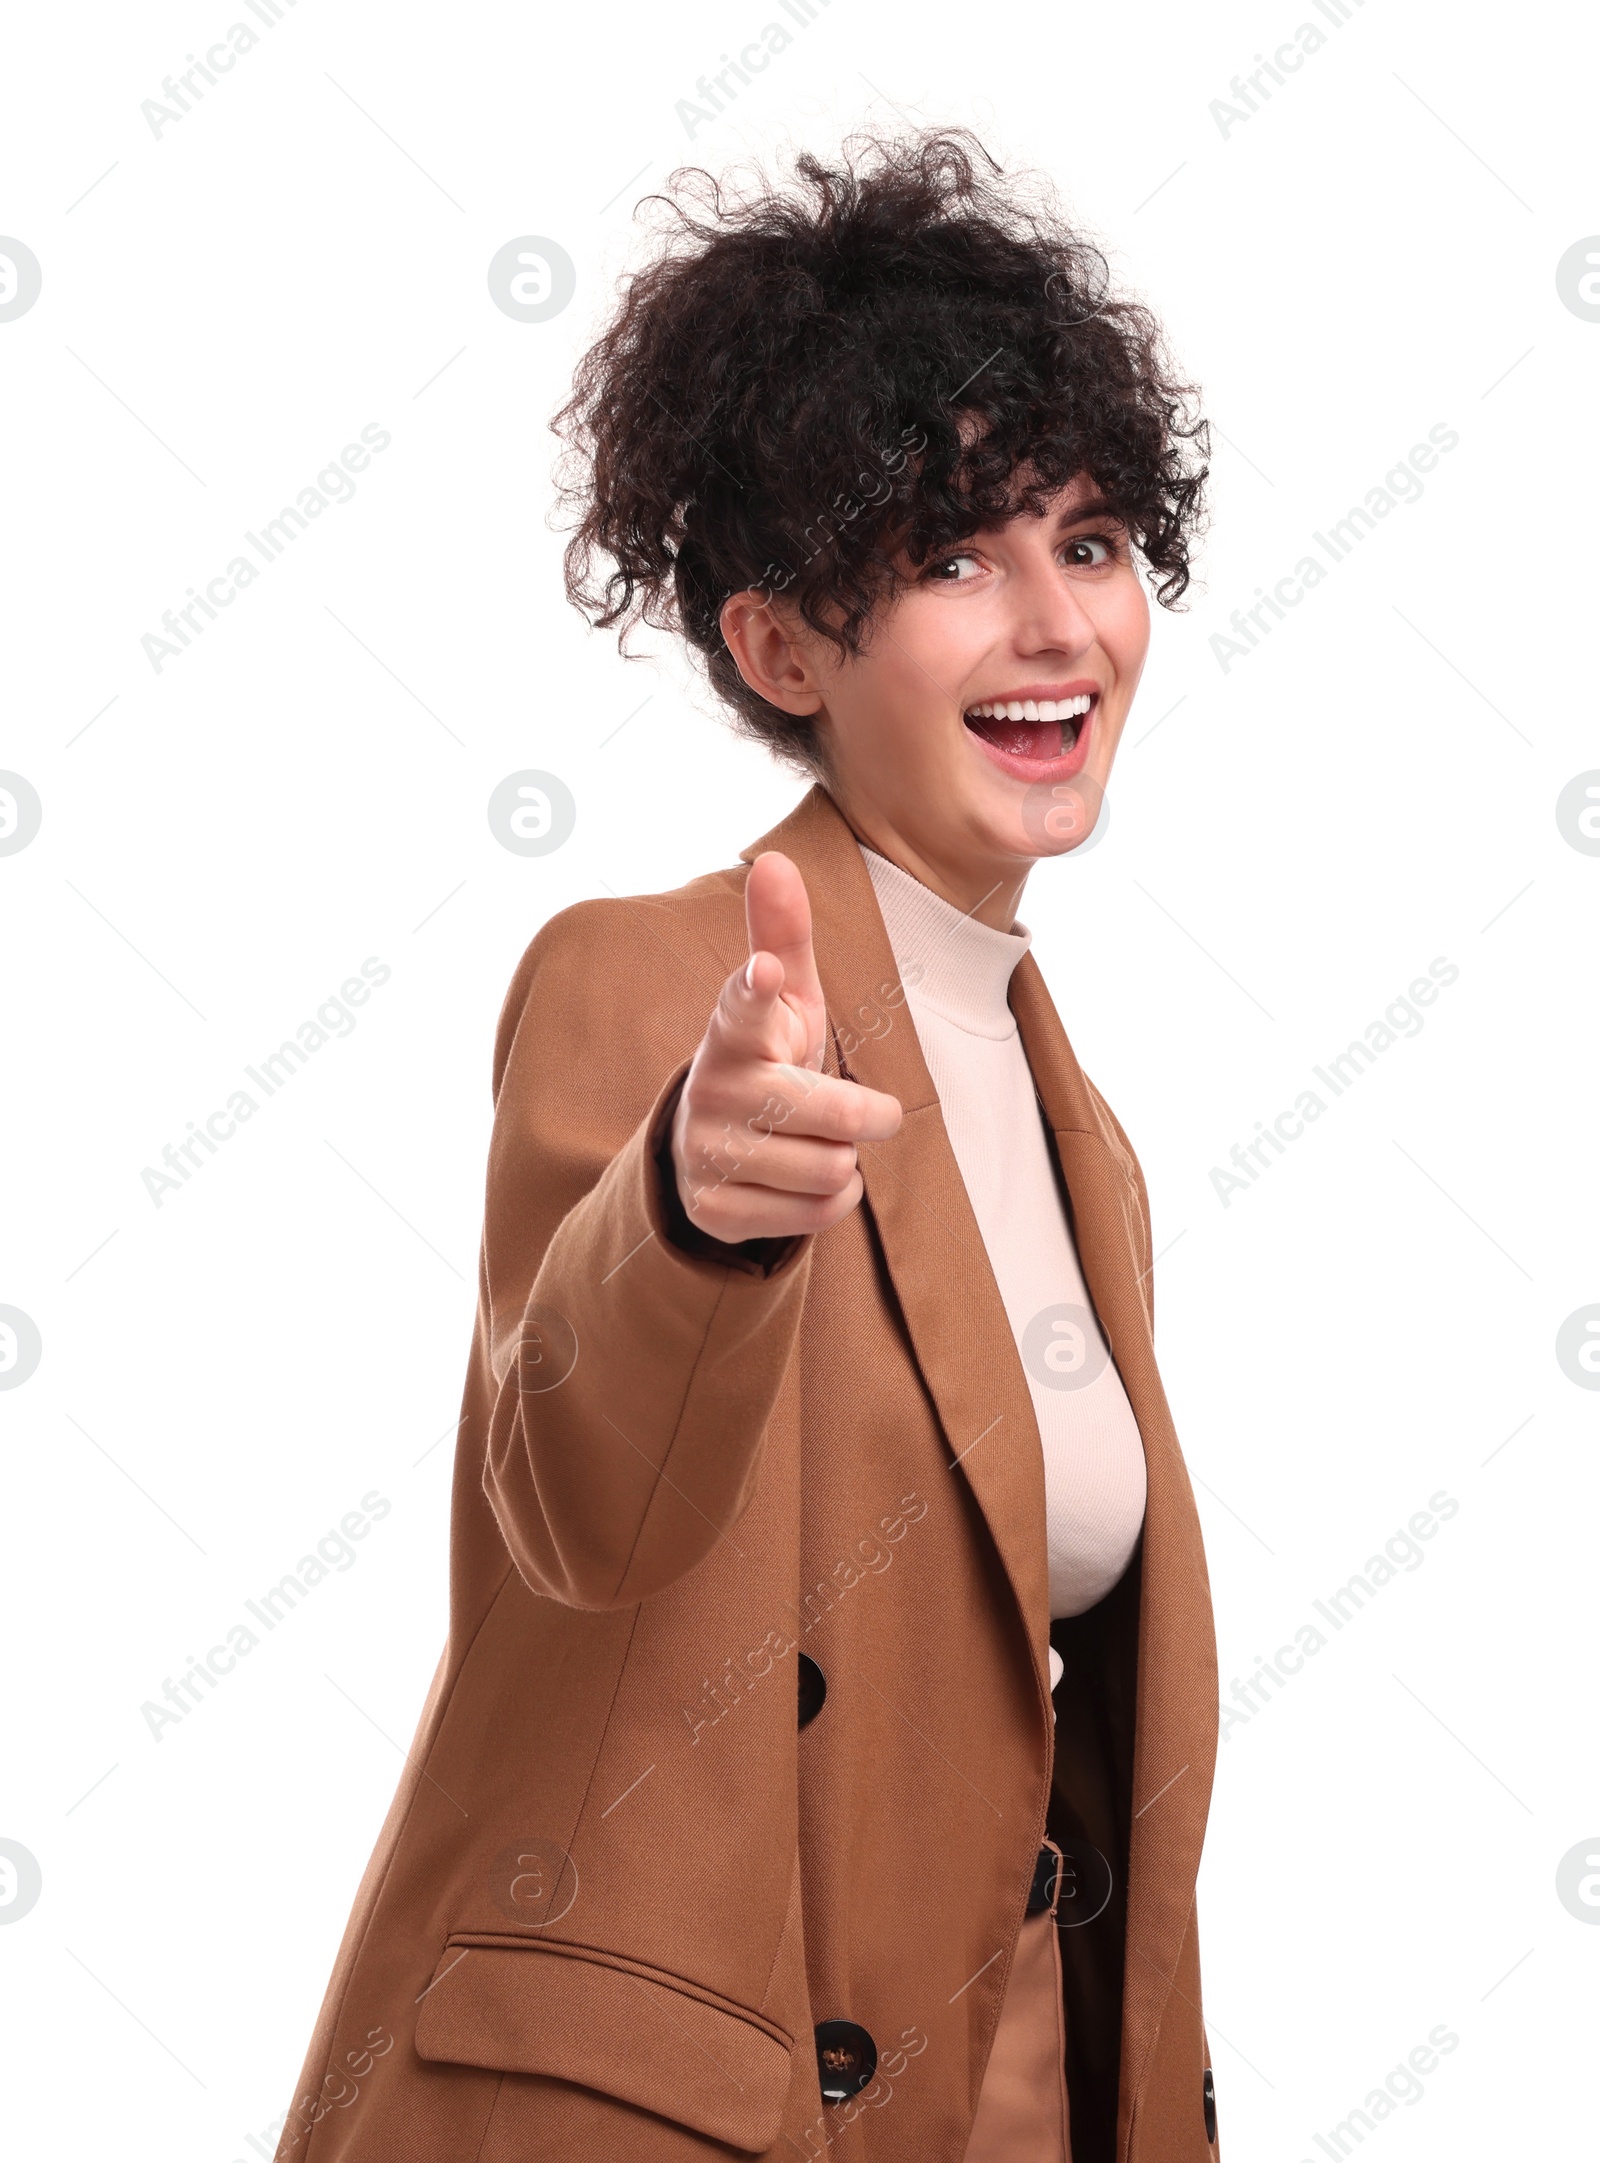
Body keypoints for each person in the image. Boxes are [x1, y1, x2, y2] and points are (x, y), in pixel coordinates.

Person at [275, 128, 1222, 2163]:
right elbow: (567, 1492)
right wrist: (690, 1214)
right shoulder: (657, 982)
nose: (1053, 623)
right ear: (782, 647)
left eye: (1088, 538)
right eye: (952, 559)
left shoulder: (1092, 1147)